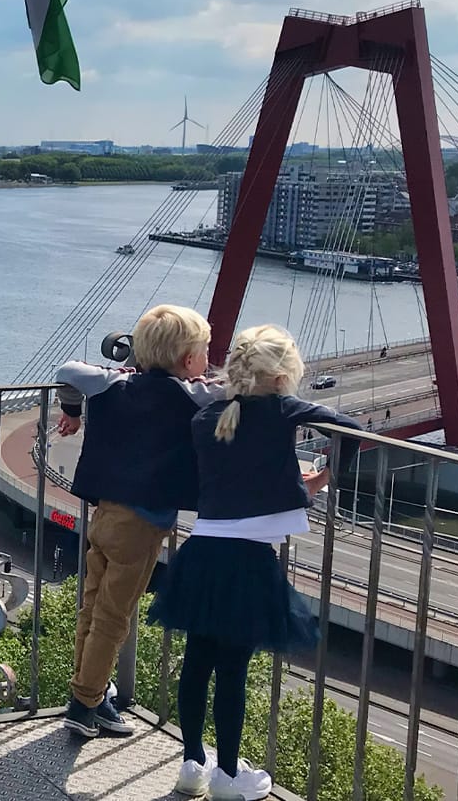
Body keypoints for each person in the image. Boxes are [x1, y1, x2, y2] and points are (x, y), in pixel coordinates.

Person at [149, 325, 360, 801]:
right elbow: (351, 429)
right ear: (283, 373)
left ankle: (192, 764)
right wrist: (321, 480)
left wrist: (287, 481)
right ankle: (227, 775)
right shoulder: (283, 409)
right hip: (247, 559)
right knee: (234, 669)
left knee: (198, 663)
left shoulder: (208, 418)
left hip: (201, 551)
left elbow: (235, 472)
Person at [54, 304, 222, 739]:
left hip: (103, 513)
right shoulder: (192, 394)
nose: (208, 361)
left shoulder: (114, 382)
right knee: (114, 617)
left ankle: (90, 693)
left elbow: (67, 370)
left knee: (92, 609)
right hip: (144, 523)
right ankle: (85, 701)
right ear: (188, 361)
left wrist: (72, 411)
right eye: (204, 352)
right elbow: (243, 392)